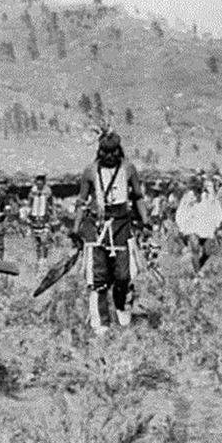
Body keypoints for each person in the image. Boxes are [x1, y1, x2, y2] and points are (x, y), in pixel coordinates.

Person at [71, 131, 150, 335]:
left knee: (123, 276)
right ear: (99, 151)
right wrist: (75, 228)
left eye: (113, 151)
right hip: (96, 228)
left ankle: (123, 311)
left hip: (122, 226)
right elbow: (82, 201)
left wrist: (146, 220)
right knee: (98, 278)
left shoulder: (129, 169)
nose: (109, 156)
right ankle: (101, 326)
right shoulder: (90, 171)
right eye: (105, 152)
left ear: (119, 150)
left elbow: (138, 196)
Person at [175, 173, 222, 274]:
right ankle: (197, 272)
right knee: (195, 248)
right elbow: (181, 211)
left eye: (198, 187)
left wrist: (217, 224)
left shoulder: (208, 197)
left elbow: (217, 209)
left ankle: (199, 265)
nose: (196, 189)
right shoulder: (187, 197)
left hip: (206, 226)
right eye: (194, 187)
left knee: (208, 250)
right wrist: (182, 227)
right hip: (192, 227)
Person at [28, 174, 52, 269]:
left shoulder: (48, 191)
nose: (39, 184)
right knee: (37, 241)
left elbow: (49, 202)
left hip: (44, 218)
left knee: (44, 240)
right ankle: (38, 260)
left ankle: (44, 260)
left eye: (41, 182)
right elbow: (30, 202)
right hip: (35, 218)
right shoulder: (32, 191)